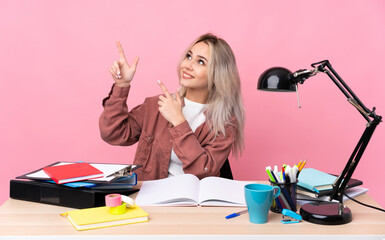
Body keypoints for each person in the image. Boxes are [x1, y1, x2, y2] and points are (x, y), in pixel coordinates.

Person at [99, 33, 245, 181]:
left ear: (217, 74)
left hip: (193, 201)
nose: (188, 65)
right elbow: (112, 133)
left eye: (200, 62)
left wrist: (179, 122)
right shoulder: (156, 105)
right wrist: (121, 85)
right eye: (189, 56)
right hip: (150, 199)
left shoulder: (225, 125)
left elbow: (203, 171)